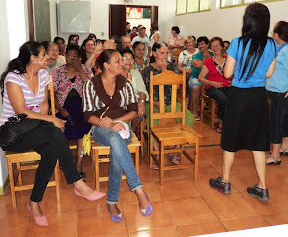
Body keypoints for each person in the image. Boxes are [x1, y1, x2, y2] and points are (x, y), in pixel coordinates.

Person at [0, 41, 105, 227]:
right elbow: (20, 111)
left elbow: (43, 105)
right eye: (43, 55)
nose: (48, 57)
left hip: (35, 129)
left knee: (52, 149)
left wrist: (46, 122)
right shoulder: (13, 78)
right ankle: (77, 182)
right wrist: (51, 120)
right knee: (56, 132)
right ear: (33, 58)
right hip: (13, 134)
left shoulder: (42, 75)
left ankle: (34, 203)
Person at [209, 3, 278, 202]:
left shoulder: (238, 43)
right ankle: (263, 188)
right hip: (258, 96)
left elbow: (228, 73)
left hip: (239, 96)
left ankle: (225, 181)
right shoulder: (272, 45)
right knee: (258, 142)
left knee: (230, 140)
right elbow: (269, 73)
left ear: (247, 21)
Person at [82, 49, 153, 222]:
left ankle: (112, 202)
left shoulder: (126, 83)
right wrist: (105, 123)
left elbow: (134, 111)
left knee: (117, 146)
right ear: (106, 65)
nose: (122, 63)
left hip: (123, 126)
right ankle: (138, 189)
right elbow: (87, 114)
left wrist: (118, 122)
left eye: (121, 60)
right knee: (115, 139)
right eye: (117, 61)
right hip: (100, 129)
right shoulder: (91, 84)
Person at [142, 42, 194, 168]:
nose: (165, 56)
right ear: (154, 54)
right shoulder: (147, 70)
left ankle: (176, 149)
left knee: (189, 117)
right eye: (162, 53)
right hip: (153, 103)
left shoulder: (172, 67)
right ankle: (157, 153)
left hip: (170, 102)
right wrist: (154, 103)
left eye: (167, 53)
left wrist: (164, 71)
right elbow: (143, 93)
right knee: (152, 121)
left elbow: (176, 87)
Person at [52, 44, 92, 179]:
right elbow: (51, 95)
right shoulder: (58, 72)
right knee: (60, 127)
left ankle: (79, 164)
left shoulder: (85, 69)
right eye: (68, 56)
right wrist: (60, 108)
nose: (70, 59)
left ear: (80, 58)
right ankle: (66, 160)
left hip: (82, 107)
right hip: (63, 107)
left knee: (85, 127)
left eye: (74, 57)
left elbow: (90, 86)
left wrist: (79, 69)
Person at [266, 21, 288, 165]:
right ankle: (284, 147)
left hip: (281, 93)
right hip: (275, 90)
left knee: (276, 123)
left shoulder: (287, 51)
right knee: (283, 120)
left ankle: (275, 156)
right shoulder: (279, 48)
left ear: (277, 34)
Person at [198, 37, 232, 133]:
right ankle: (221, 123)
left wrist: (233, 81)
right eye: (212, 46)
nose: (215, 48)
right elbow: (200, 78)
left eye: (217, 45)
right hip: (212, 88)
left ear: (222, 47)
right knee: (223, 99)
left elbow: (235, 74)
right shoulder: (209, 61)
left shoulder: (228, 60)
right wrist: (213, 83)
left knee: (236, 97)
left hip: (227, 87)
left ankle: (232, 123)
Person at [190, 36, 212, 120]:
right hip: (196, 77)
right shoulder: (196, 55)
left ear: (207, 45)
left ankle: (216, 112)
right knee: (196, 87)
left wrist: (202, 63)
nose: (200, 46)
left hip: (210, 79)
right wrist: (209, 63)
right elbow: (196, 65)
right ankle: (194, 111)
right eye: (199, 45)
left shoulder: (213, 54)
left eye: (202, 44)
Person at [178, 36, 199, 108]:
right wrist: (187, 71)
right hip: (187, 72)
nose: (188, 44)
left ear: (193, 43)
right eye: (186, 43)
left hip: (198, 72)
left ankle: (194, 103)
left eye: (190, 42)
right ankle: (186, 101)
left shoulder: (198, 52)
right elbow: (179, 67)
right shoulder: (182, 53)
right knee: (187, 78)